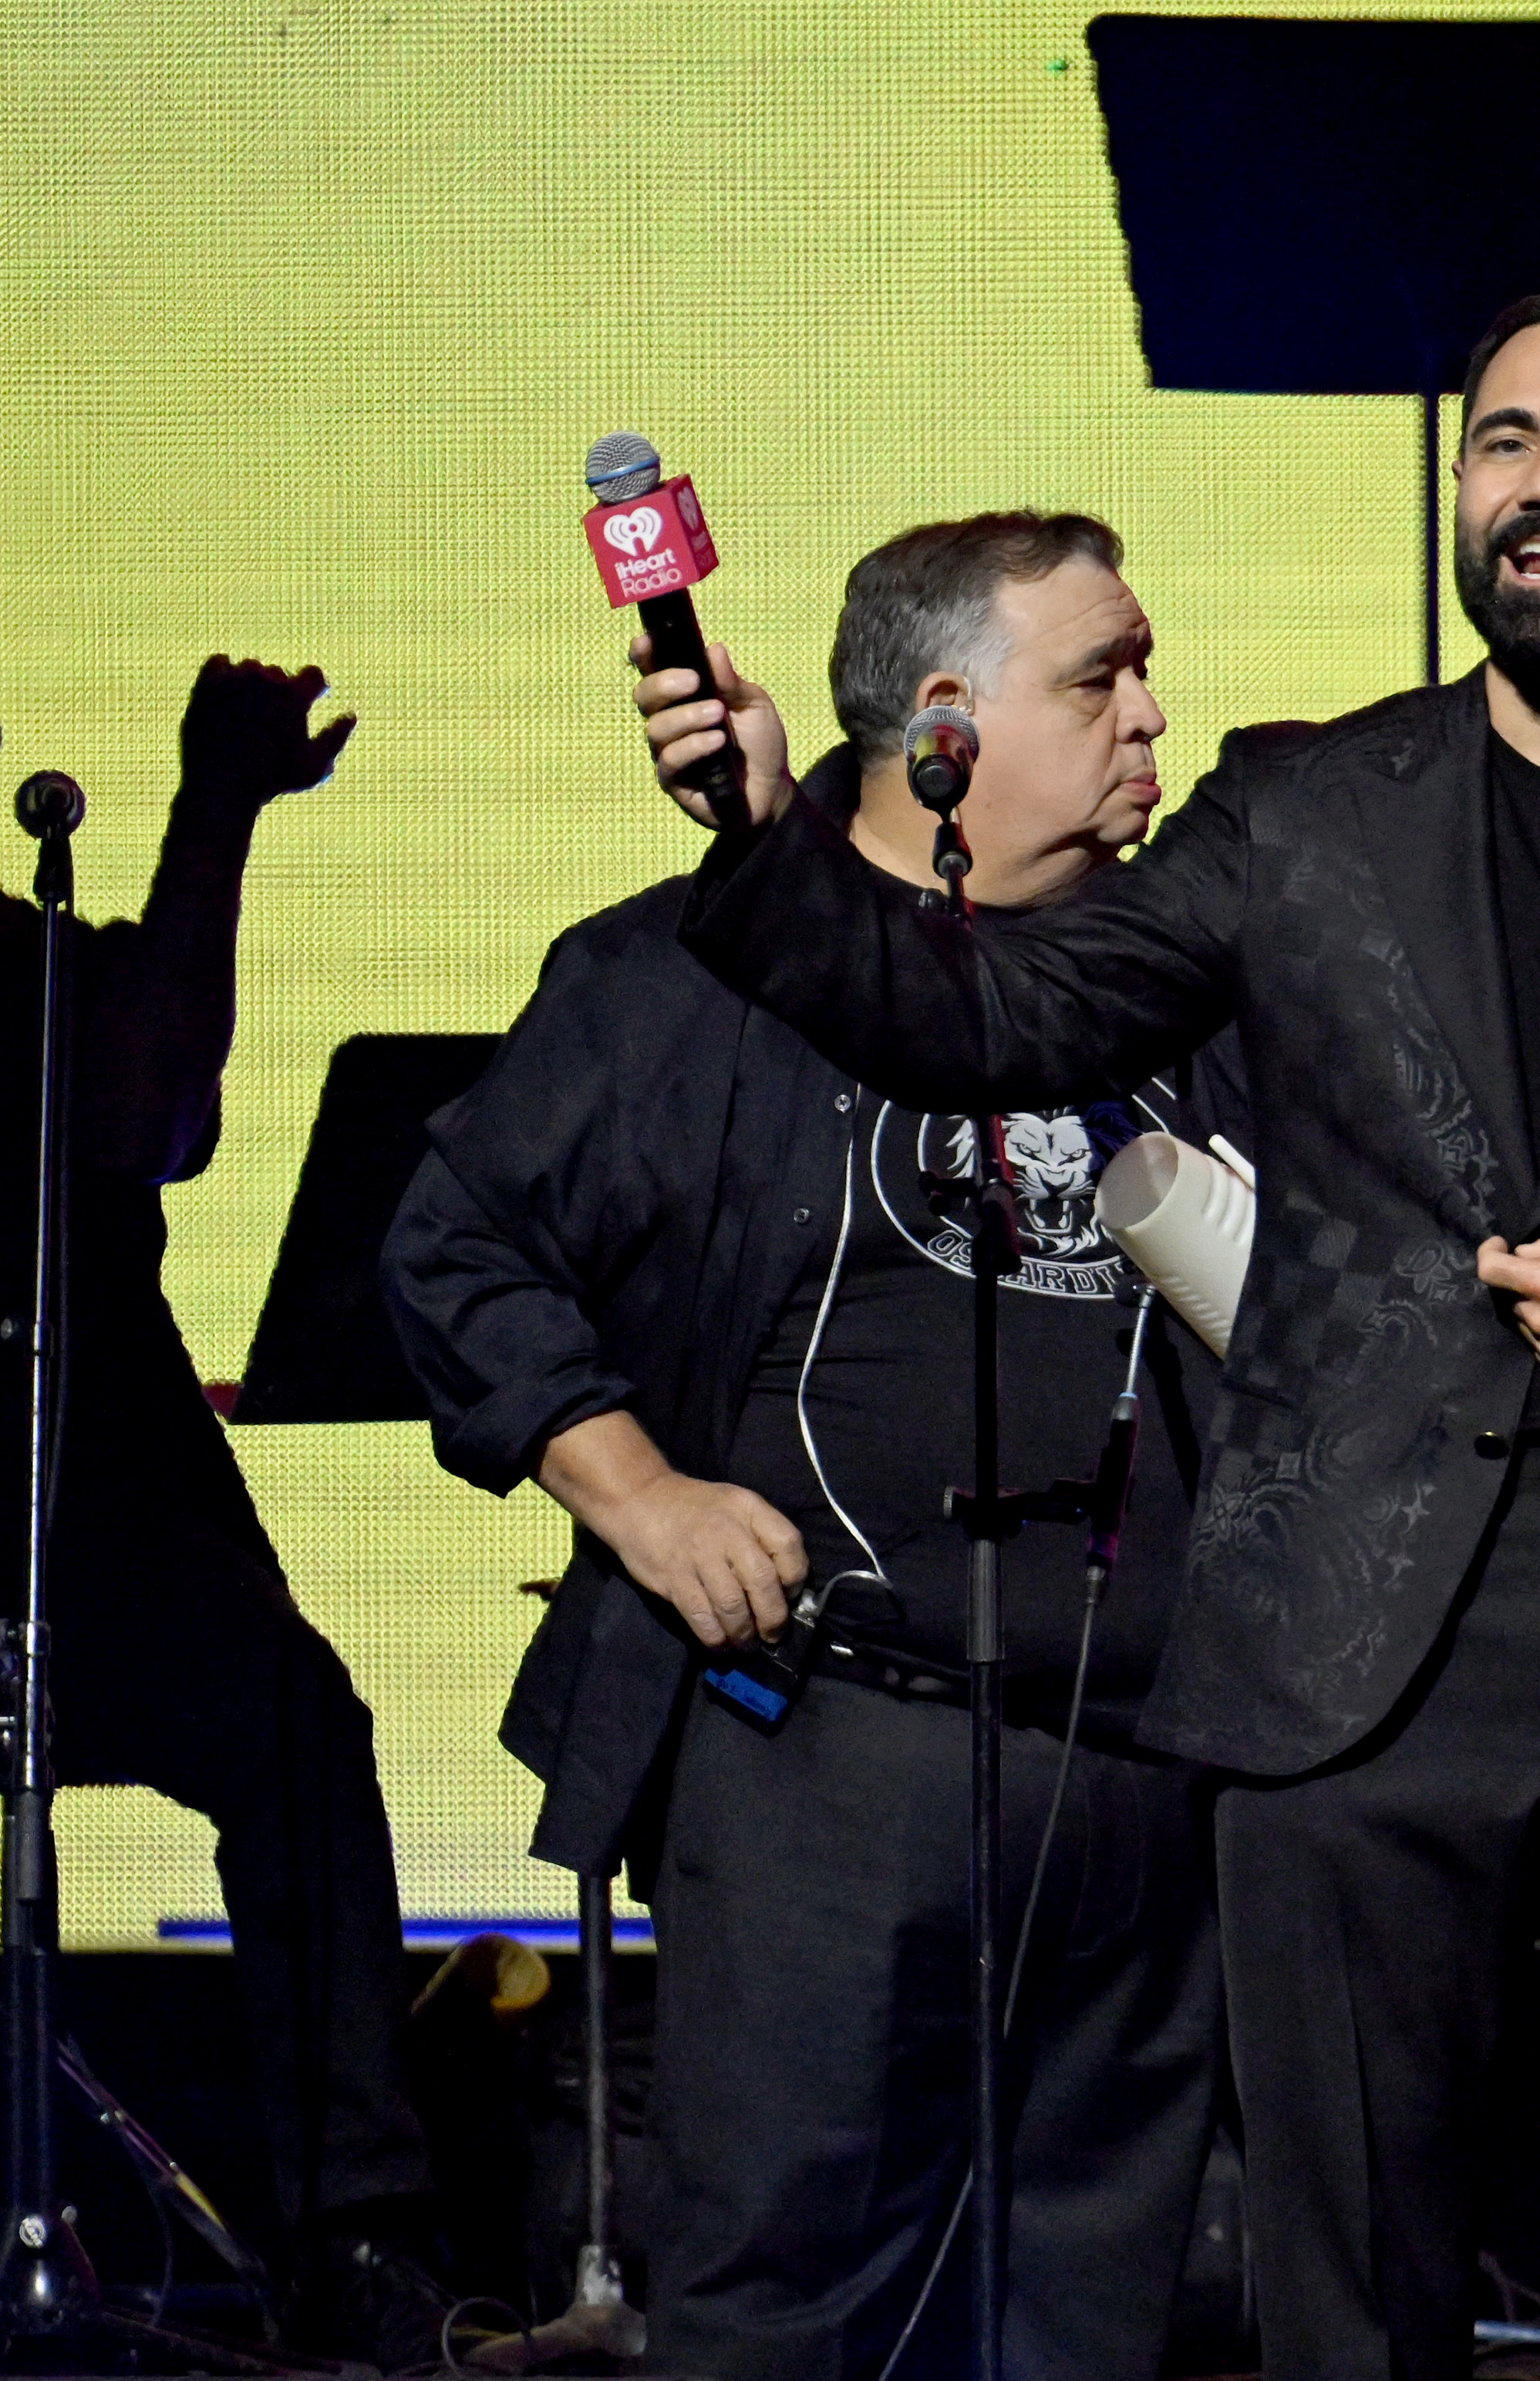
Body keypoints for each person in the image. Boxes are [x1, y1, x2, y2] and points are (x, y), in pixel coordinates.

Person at [628, 288, 1540, 2380]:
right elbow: (986, 1016)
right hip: (1347, 1667)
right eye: (1501, 441)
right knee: (1343, 2301)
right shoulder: (1299, 811)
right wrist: (765, 833)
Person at [386, 514, 1234, 2381]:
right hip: (830, 1755)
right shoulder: (690, 978)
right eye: (1100, 675)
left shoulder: (1189, 992)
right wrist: (633, 1488)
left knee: (1090, 2317)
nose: (1152, 715)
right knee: (784, 2303)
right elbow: (452, 1245)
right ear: (943, 725)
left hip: (1136, 1773)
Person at [25, 659, 448, 2355]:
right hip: (86, 1497)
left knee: (293, 1731)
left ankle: (359, 2229)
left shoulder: (27, 968)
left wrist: (219, 814)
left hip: (97, 1494)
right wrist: (214, 806)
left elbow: (152, 1111)